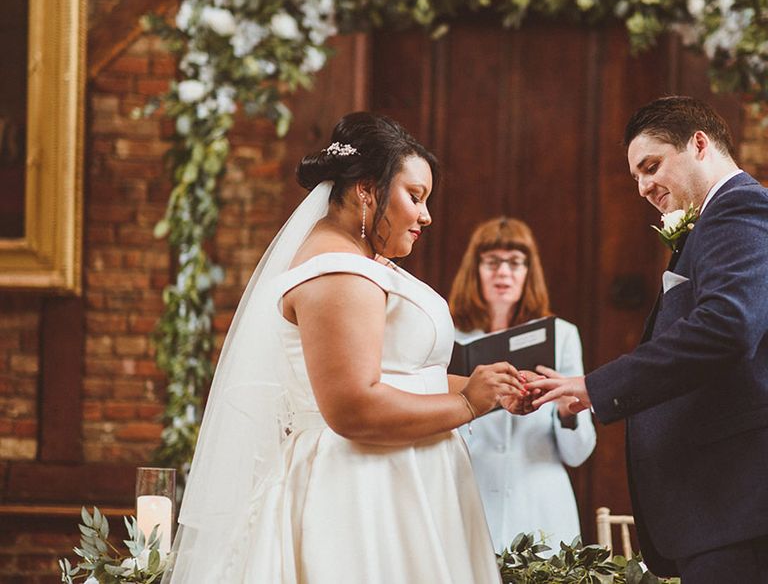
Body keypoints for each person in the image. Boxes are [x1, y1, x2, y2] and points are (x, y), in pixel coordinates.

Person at [164, 112, 533, 584]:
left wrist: (491, 389)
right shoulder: (338, 273)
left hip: (401, 480)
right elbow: (352, 406)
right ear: (365, 189)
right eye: (415, 197)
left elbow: (399, 375)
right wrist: (465, 403)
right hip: (362, 492)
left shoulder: (358, 262)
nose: (426, 216)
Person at [527, 96, 768, 583]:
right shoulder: (713, 219)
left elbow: (727, 325)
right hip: (717, 510)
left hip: (737, 505)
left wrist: (597, 386)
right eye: (635, 175)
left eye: (652, 166)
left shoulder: (739, 207)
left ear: (699, 144)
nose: (642, 187)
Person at [449, 217, 595, 552]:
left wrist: (568, 413)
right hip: (470, 495)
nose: (504, 272)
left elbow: (578, 455)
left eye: (515, 262)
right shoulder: (451, 337)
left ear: (530, 271)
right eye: (492, 262)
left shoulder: (561, 335)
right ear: (475, 269)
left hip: (539, 502)